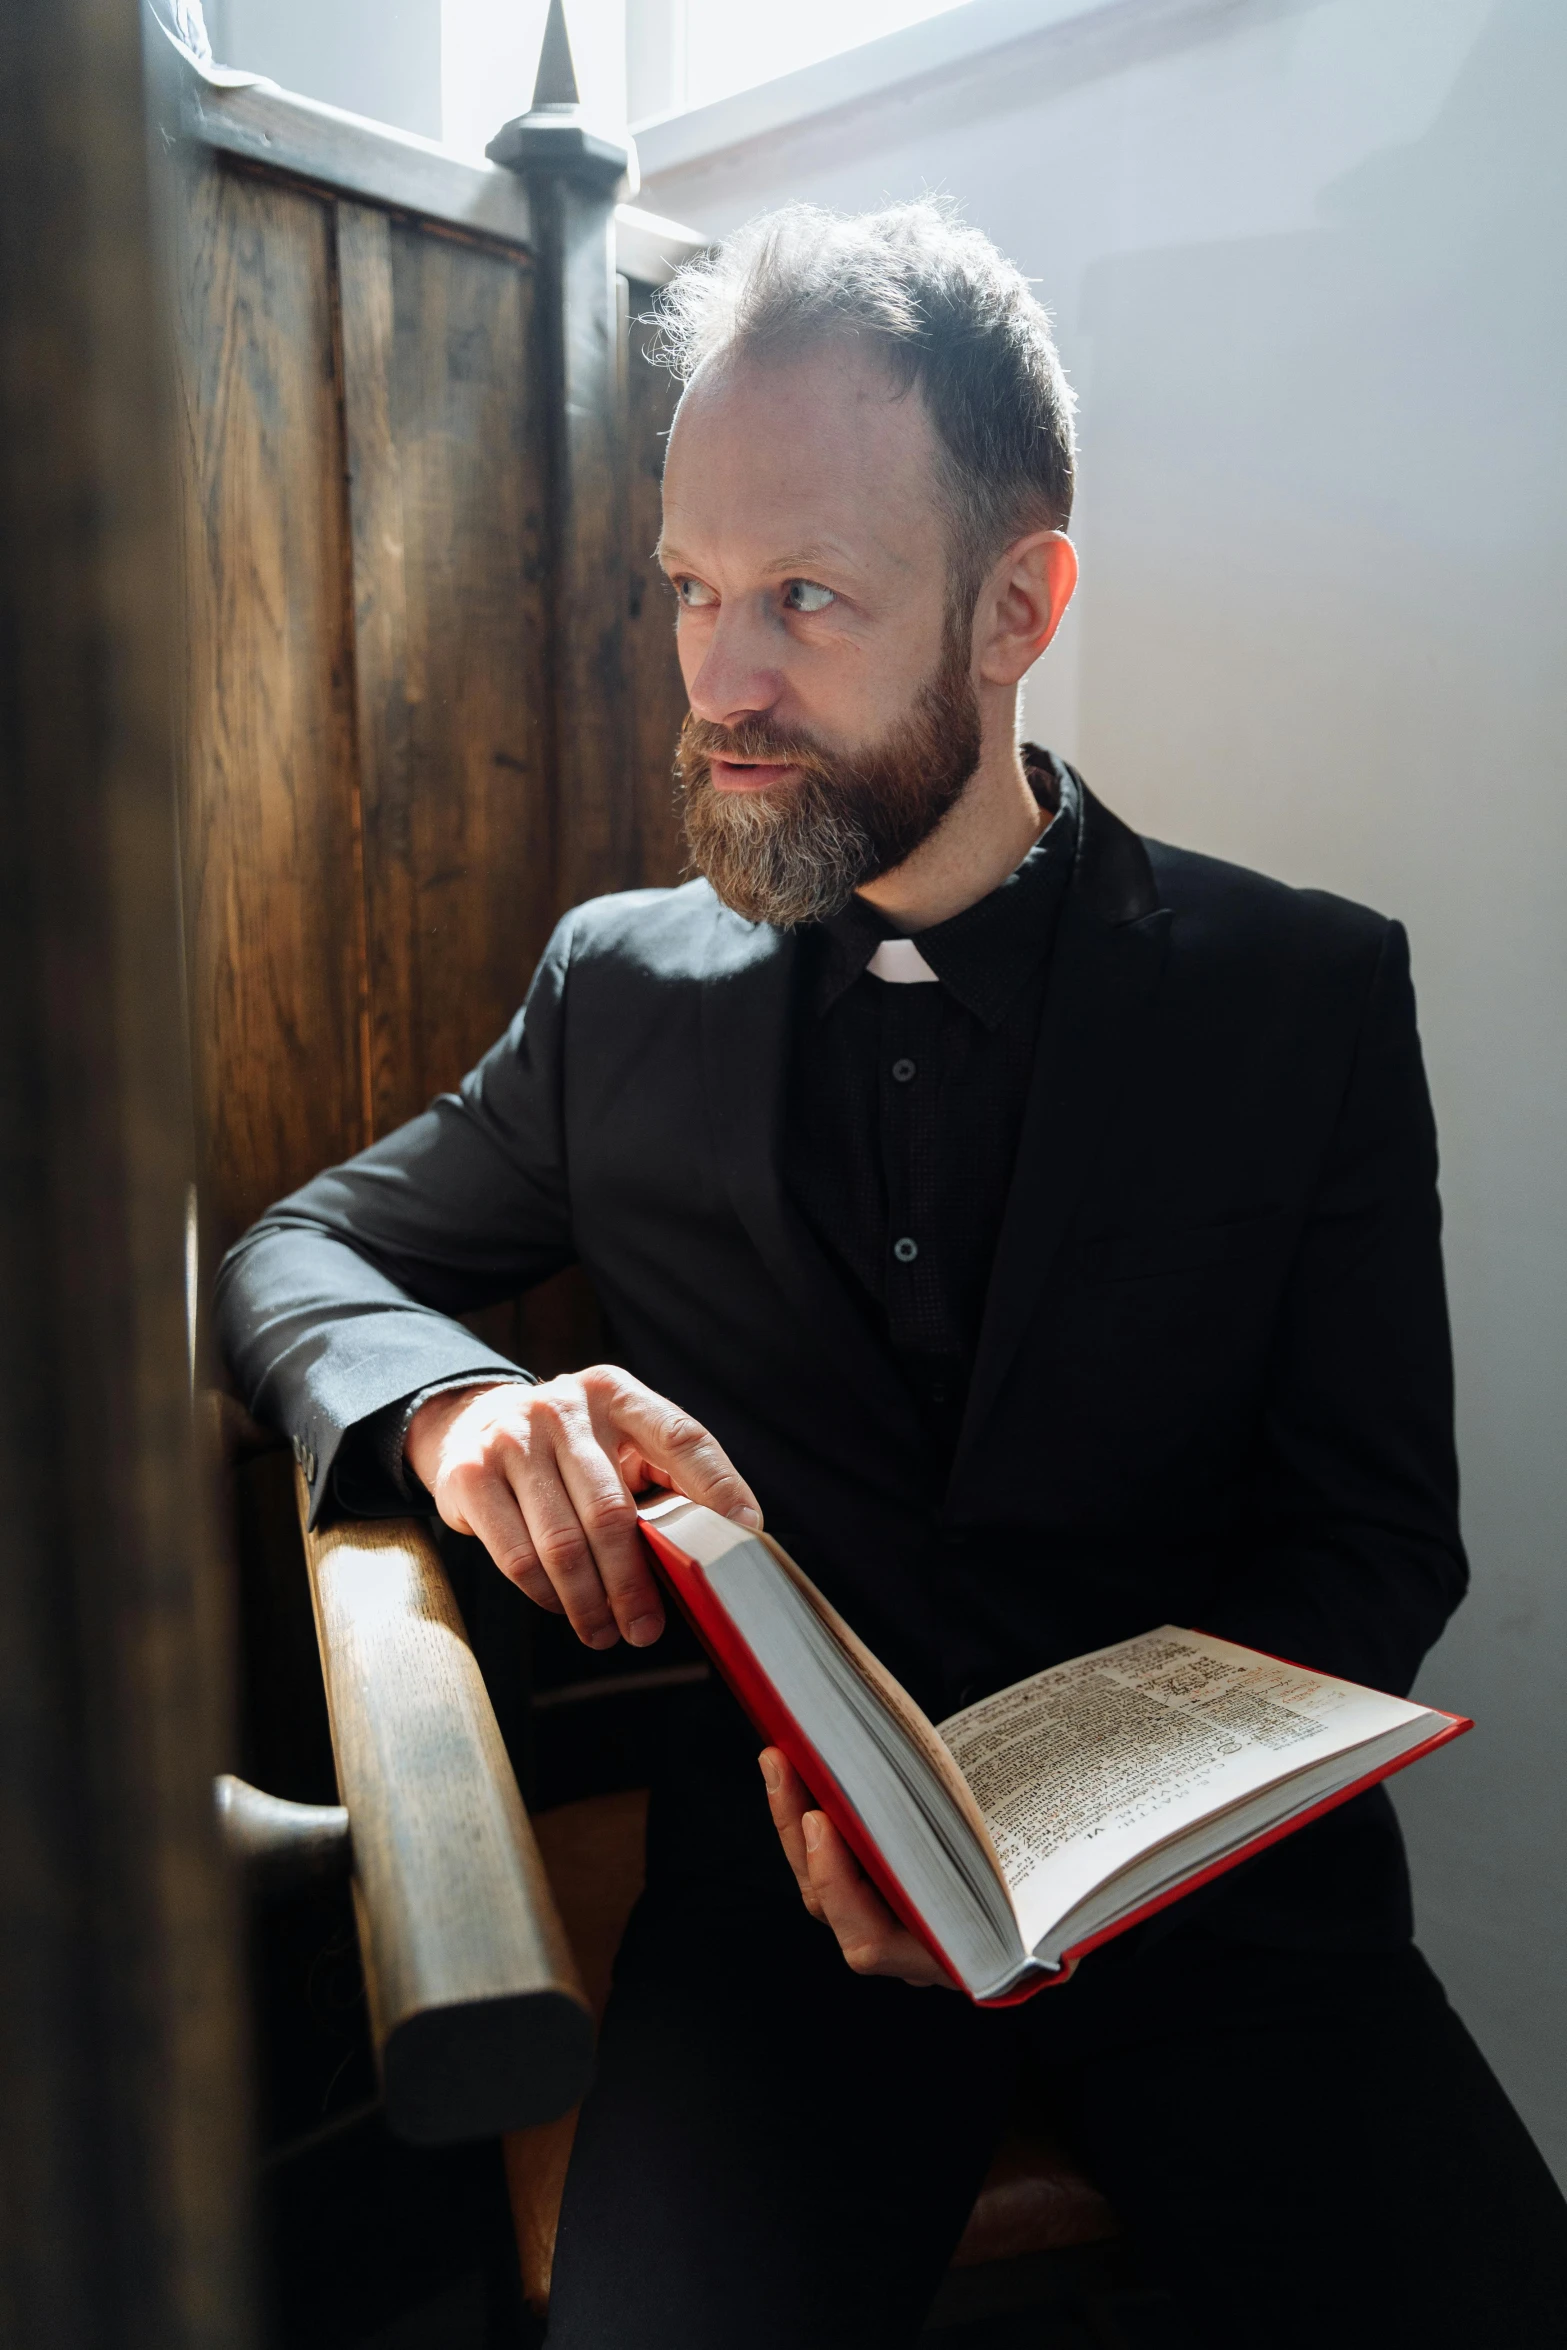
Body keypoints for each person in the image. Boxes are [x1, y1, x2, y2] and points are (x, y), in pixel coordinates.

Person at [217, 201, 1567, 2346]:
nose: (718, 680)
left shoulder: (1305, 994)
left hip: (1231, 1935)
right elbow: (295, 1250)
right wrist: (462, 1410)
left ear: (1019, 603)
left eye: (808, 601)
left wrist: (1090, 1850)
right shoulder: (614, 993)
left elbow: (1376, 1534)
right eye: (691, 591)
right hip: (770, 1944)